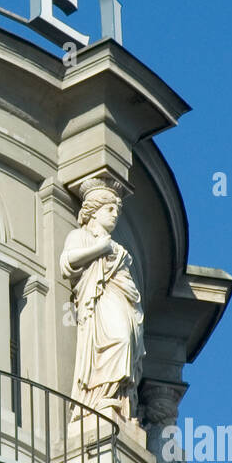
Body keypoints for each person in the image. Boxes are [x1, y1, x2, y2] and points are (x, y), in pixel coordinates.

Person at [59, 179, 146, 422]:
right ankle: (99, 395)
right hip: (101, 298)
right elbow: (67, 263)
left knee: (126, 342)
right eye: (109, 209)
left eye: (117, 210)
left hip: (123, 299)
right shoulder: (81, 236)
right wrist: (99, 249)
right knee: (117, 340)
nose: (115, 215)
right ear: (93, 212)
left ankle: (116, 398)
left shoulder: (115, 246)